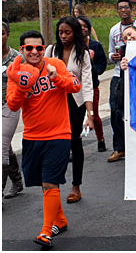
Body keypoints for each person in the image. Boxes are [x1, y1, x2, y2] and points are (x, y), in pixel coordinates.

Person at [7, 30, 81, 247]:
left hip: (59, 134)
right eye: (29, 48)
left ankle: (46, 232)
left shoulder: (55, 64)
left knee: (50, 181)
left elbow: (74, 85)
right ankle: (60, 220)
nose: (34, 51)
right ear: (21, 49)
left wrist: (55, 77)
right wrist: (23, 85)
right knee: (45, 184)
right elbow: (12, 104)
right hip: (32, 136)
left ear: (43, 48)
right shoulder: (16, 71)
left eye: (39, 47)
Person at [45, 16, 94, 204]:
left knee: (75, 142)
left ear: (75, 32)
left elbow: (87, 84)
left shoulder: (82, 53)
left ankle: (76, 186)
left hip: (75, 101)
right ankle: (52, 185)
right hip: (54, 101)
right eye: (61, 32)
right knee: (55, 143)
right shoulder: (51, 50)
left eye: (67, 32)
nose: (63, 36)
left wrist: (90, 115)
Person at [108, 0, 136, 162]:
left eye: (126, 7)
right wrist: (114, 57)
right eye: (120, 8)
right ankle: (119, 148)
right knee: (116, 110)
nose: (123, 10)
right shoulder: (114, 30)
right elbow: (110, 55)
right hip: (119, 75)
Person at [77, 16, 108, 152]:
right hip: (75, 87)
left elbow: (102, 65)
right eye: (80, 25)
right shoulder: (71, 46)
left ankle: (100, 139)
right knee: (75, 117)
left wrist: (90, 69)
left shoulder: (95, 46)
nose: (82, 28)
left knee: (94, 114)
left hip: (92, 86)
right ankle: (74, 144)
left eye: (85, 25)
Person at [2, 21, 24, 199]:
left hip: (8, 105)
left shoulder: (16, 58)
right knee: (5, 144)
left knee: (1, 147)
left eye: (2, 33)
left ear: (7, 35)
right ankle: (17, 180)